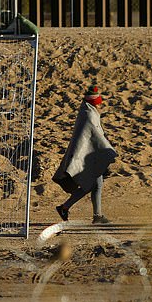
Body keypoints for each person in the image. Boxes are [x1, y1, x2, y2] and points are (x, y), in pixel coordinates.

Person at [52, 86, 117, 224]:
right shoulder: (89, 114)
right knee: (91, 185)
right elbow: (96, 137)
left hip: (90, 155)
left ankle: (92, 214)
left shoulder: (87, 111)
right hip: (87, 156)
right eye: (99, 102)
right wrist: (107, 152)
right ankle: (69, 208)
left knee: (95, 184)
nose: (101, 104)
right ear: (94, 102)